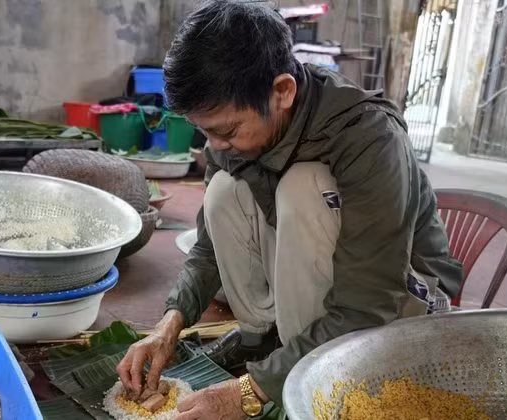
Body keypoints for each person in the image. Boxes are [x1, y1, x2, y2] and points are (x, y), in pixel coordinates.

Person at [115, 1, 463, 418]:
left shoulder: (368, 136)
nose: (215, 145)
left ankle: (302, 372)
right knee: (224, 189)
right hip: (321, 298)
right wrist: (169, 325)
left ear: (282, 91)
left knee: (302, 185)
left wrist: (245, 394)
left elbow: (368, 302)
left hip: (401, 301)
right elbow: (208, 251)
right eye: (204, 130)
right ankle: (264, 341)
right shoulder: (233, 134)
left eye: (227, 129)